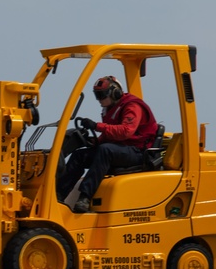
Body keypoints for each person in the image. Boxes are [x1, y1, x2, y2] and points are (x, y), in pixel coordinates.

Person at [57, 75, 159, 213]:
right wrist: (94, 141)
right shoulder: (111, 108)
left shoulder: (132, 106)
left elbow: (125, 132)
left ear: (114, 92)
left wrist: (96, 126)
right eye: (97, 95)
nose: (99, 99)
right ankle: (58, 195)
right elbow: (110, 133)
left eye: (101, 95)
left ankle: (85, 197)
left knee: (105, 150)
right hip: (122, 149)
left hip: (138, 152)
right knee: (79, 155)